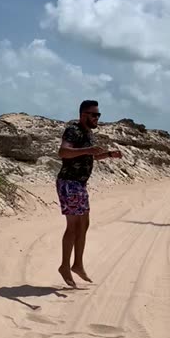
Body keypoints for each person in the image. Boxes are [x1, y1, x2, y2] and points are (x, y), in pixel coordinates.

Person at [57, 100, 122, 287]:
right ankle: (64, 266)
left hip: (80, 184)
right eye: (94, 115)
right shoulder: (73, 130)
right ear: (83, 115)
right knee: (73, 226)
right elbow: (63, 152)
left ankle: (77, 264)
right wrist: (87, 149)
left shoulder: (88, 133)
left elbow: (91, 155)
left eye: (98, 115)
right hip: (69, 182)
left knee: (84, 224)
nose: (97, 118)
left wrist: (109, 154)